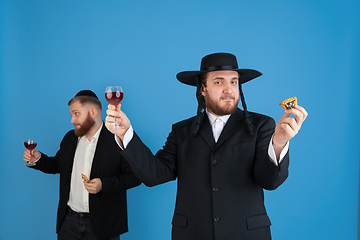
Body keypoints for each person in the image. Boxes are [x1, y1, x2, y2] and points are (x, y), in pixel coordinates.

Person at [105, 53, 308, 240]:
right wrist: (125, 134)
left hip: (246, 234)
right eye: (219, 82)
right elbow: (154, 175)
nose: (229, 89)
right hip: (193, 233)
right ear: (203, 89)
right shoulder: (181, 131)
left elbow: (269, 181)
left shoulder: (262, 125)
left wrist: (279, 142)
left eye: (234, 82)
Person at [23, 90, 141, 240]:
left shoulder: (118, 139)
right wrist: (38, 159)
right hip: (68, 222)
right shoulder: (70, 138)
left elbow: (135, 177)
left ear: (92, 112)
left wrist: (103, 184)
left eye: (76, 114)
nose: (72, 120)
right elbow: (57, 166)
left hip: (103, 223)